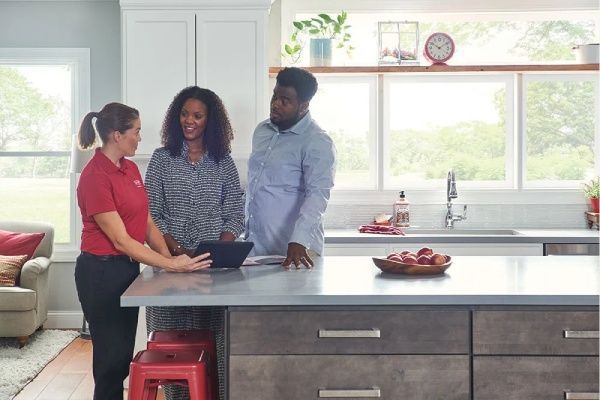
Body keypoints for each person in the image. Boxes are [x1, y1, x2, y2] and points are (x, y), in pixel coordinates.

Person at [74, 102, 212, 400]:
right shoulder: (95, 176)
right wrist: (172, 265)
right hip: (99, 272)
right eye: (136, 132)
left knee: (122, 355)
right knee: (110, 361)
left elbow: (147, 223)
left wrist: (169, 260)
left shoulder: (130, 168)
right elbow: (121, 240)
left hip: (125, 269)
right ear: (116, 135)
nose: (139, 138)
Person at [144, 87, 244, 400]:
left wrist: (219, 251)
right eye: (185, 114)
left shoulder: (222, 162)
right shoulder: (162, 160)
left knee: (214, 340)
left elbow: (235, 213)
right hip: (168, 268)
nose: (189, 121)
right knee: (173, 344)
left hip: (212, 270)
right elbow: (150, 213)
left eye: (197, 115)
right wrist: (177, 252)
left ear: (209, 121)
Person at [245, 67, 336, 269]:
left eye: (285, 101)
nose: (276, 104)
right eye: (275, 96)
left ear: (303, 105)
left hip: (296, 251)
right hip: (257, 249)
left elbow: (318, 195)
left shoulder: (318, 142)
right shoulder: (261, 131)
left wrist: (299, 240)